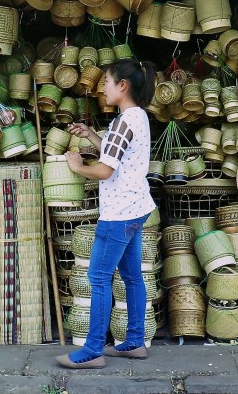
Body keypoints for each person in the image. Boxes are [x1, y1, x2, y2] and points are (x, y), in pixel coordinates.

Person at [55, 59, 157, 369]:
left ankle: (93, 349)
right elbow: (117, 155)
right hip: (137, 208)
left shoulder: (122, 122)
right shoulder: (136, 118)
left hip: (119, 214)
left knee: (98, 277)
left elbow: (105, 168)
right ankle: (134, 343)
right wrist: (89, 135)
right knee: (130, 277)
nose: (104, 88)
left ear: (122, 86)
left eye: (108, 82)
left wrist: (77, 167)